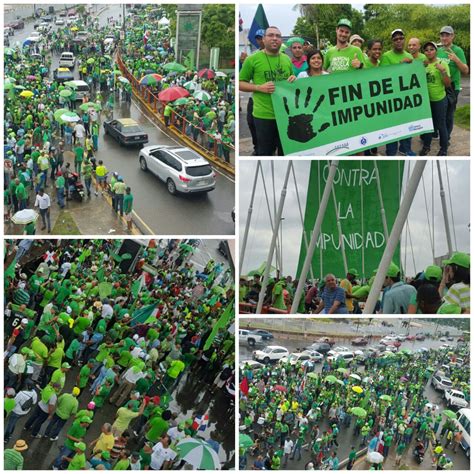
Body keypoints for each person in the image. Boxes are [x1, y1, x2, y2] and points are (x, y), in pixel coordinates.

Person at [239, 26, 294, 156]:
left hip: (285, 115)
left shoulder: (286, 59)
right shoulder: (252, 59)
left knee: (285, 152)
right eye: (270, 35)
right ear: (264, 39)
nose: (274, 38)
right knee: (265, 153)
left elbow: (290, 80)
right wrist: (259, 87)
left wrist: (293, 79)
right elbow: (240, 83)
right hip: (263, 116)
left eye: (278, 36)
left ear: (281, 40)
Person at [380, 29, 416, 156]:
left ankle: (406, 149)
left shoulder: (410, 56)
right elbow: (384, 76)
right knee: (392, 128)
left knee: (407, 125)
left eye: (401, 38)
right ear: (392, 42)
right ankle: (391, 152)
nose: (399, 41)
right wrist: (400, 65)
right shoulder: (386, 56)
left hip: (406, 99)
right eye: (396, 39)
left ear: (404, 39)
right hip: (391, 100)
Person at [419, 41, 451, 156]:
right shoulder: (424, 64)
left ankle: (443, 149)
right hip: (426, 101)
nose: (429, 51)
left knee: (441, 125)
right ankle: (426, 146)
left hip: (439, 100)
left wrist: (442, 71)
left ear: (436, 51)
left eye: (431, 49)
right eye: (426, 50)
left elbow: (448, 84)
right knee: (428, 125)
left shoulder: (442, 63)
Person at [437, 26, 469, 141]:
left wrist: (456, 59)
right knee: (439, 113)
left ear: (452, 36)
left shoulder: (458, 50)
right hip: (439, 87)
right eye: (442, 35)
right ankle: (440, 134)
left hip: (452, 88)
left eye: (447, 35)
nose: (444, 38)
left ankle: (446, 138)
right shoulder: (439, 50)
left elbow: (466, 70)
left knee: (448, 115)